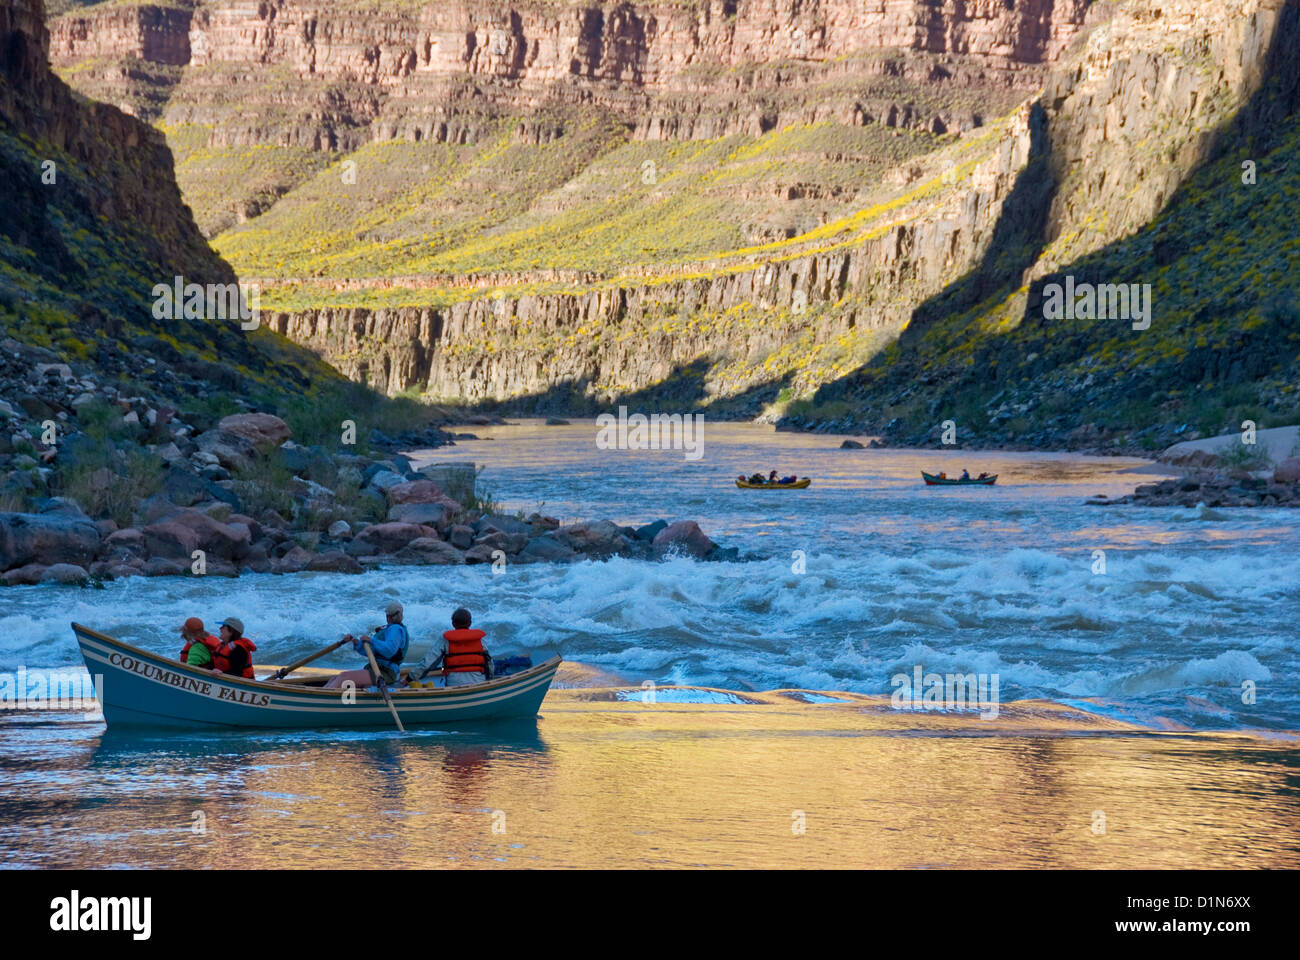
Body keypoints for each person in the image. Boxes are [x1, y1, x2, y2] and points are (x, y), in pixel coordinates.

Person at [325, 601, 410, 689]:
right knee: (335, 678)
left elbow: (389, 650)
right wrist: (356, 642)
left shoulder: (395, 629)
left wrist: (371, 640)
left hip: (386, 672)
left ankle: (323, 698)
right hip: (376, 669)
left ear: (388, 616)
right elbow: (372, 651)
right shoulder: (388, 629)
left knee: (344, 677)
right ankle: (324, 694)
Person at [408, 608, 491, 687]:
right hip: (478, 682)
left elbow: (428, 663)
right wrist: (490, 678)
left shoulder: (445, 640)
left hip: (454, 684)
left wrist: (410, 678)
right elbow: (489, 663)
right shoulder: (480, 640)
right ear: (470, 623)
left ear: (453, 623)